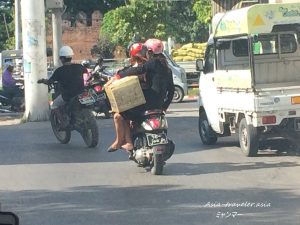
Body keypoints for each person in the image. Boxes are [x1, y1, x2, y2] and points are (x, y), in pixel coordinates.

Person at [107, 39, 174, 153]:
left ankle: (124, 142)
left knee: (119, 114)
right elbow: (171, 90)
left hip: (146, 103)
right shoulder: (167, 68)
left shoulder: (152, 63)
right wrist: (164, 107)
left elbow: (138, 69)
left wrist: (118, 76)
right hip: (159, 105)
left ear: (149, 51)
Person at [37, 45, 85, 116]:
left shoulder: (59, 71)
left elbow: (50, 82)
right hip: (81, 93)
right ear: (71, 57)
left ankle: (63, 122)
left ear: (62, 59)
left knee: (54, 105)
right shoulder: (80, 67)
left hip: (68, 95)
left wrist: (43, 81)